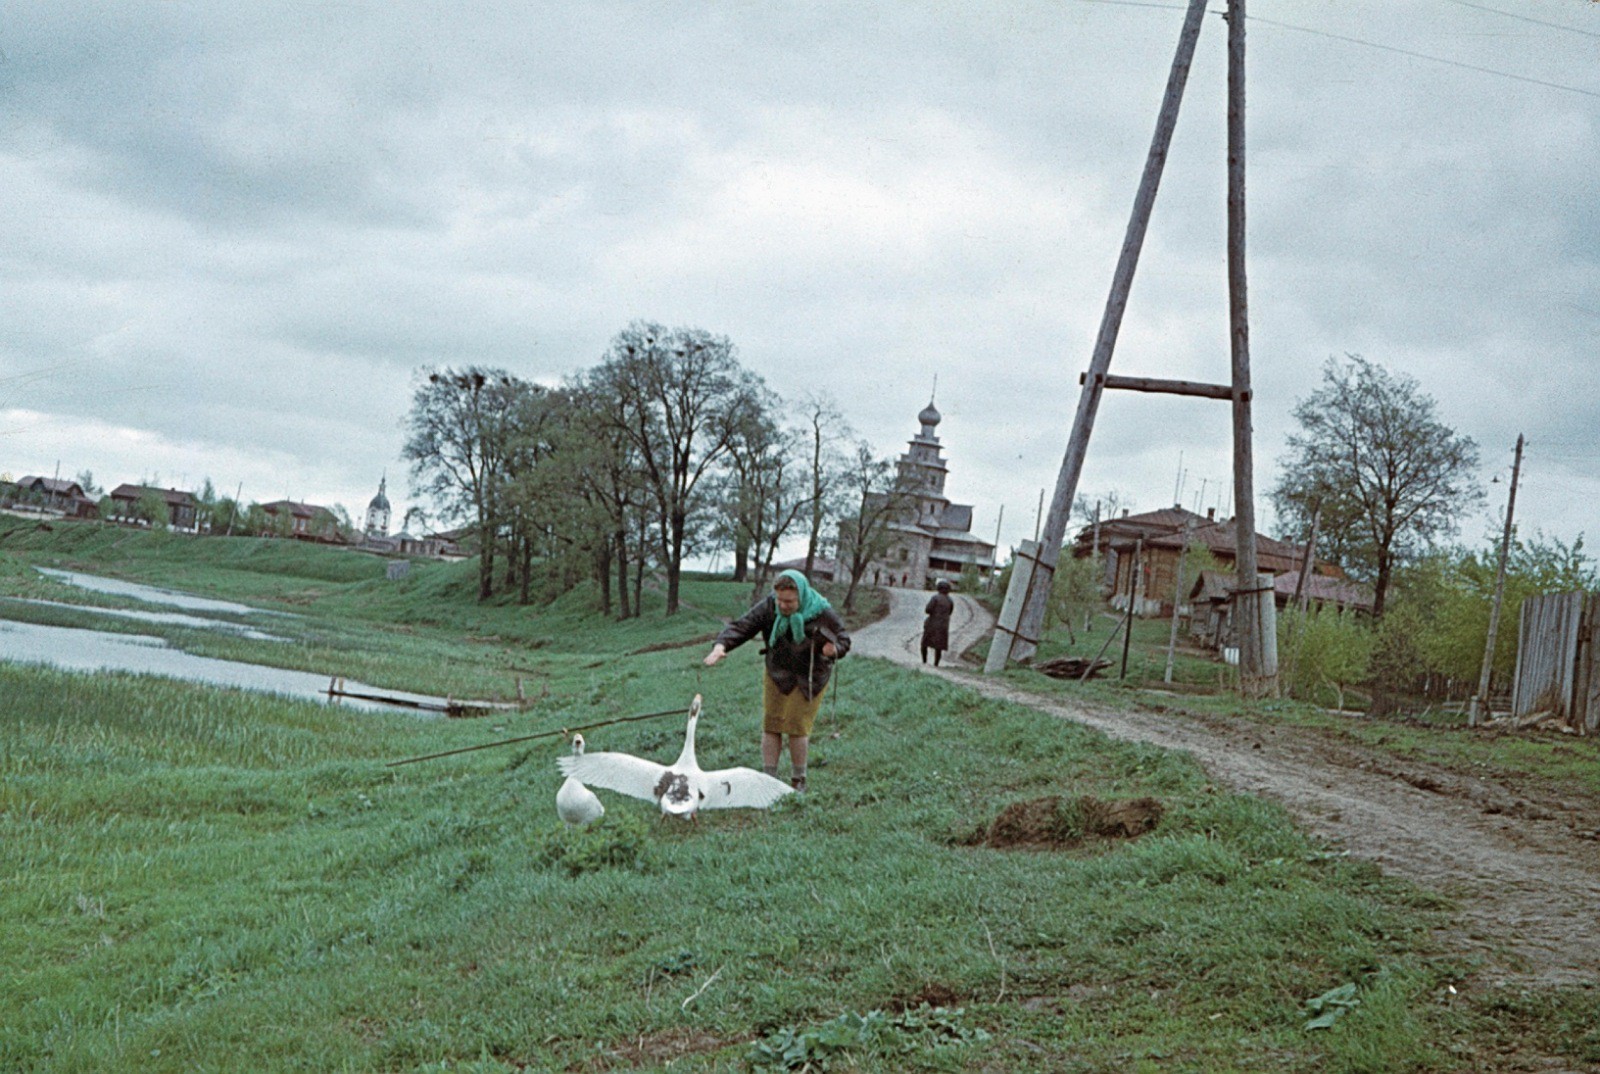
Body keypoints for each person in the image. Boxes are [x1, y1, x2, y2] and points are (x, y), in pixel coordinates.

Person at [703, 569, 850, 792]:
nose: (783, 605)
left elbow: (844, 639)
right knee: (771, 724)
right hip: (778, 672)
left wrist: (834, 650)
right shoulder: (770, 606)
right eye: (780, 599)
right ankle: (767, 780)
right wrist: (721, 646)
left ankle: (798, 780)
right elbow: (743, 626)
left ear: (801, 596)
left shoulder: (821, 610)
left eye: (789, 601)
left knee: (796, 726)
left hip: (809, 675)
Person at [921, 579, 954, 666]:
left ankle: (924, 661)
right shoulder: (950, 600)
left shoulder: (935, 598)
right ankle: (936, 664)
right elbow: (950, 612)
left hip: (932, 624)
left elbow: (928, 610)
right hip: (943, 626)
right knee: (938, 646)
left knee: (925, 643)